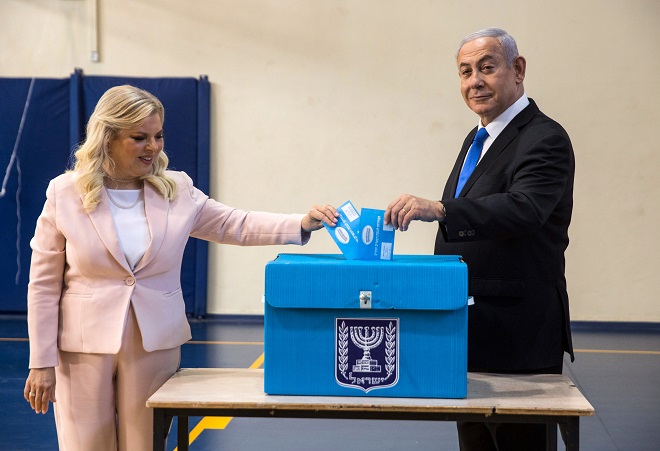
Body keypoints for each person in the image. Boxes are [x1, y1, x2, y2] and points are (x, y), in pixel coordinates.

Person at [23, 84, 338, 451]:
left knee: (146, 443)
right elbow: (43, 285)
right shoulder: (64, 192)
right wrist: (40, 362)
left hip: (155, 342)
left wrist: (300, 222)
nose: (153, 147)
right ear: (107, 138)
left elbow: (235, 224)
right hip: (80, 348)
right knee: (85, 445)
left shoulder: (177, 188)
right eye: (139, 137)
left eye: (158, 136)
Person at [385, 28, 575, 450]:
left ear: (518, 70)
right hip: (469, 329)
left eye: (487, 68)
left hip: (517, 335)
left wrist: (440, 208)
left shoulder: (545, 137)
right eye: (465, 71)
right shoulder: (477, 138)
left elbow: (525, 208)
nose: (475, 81)